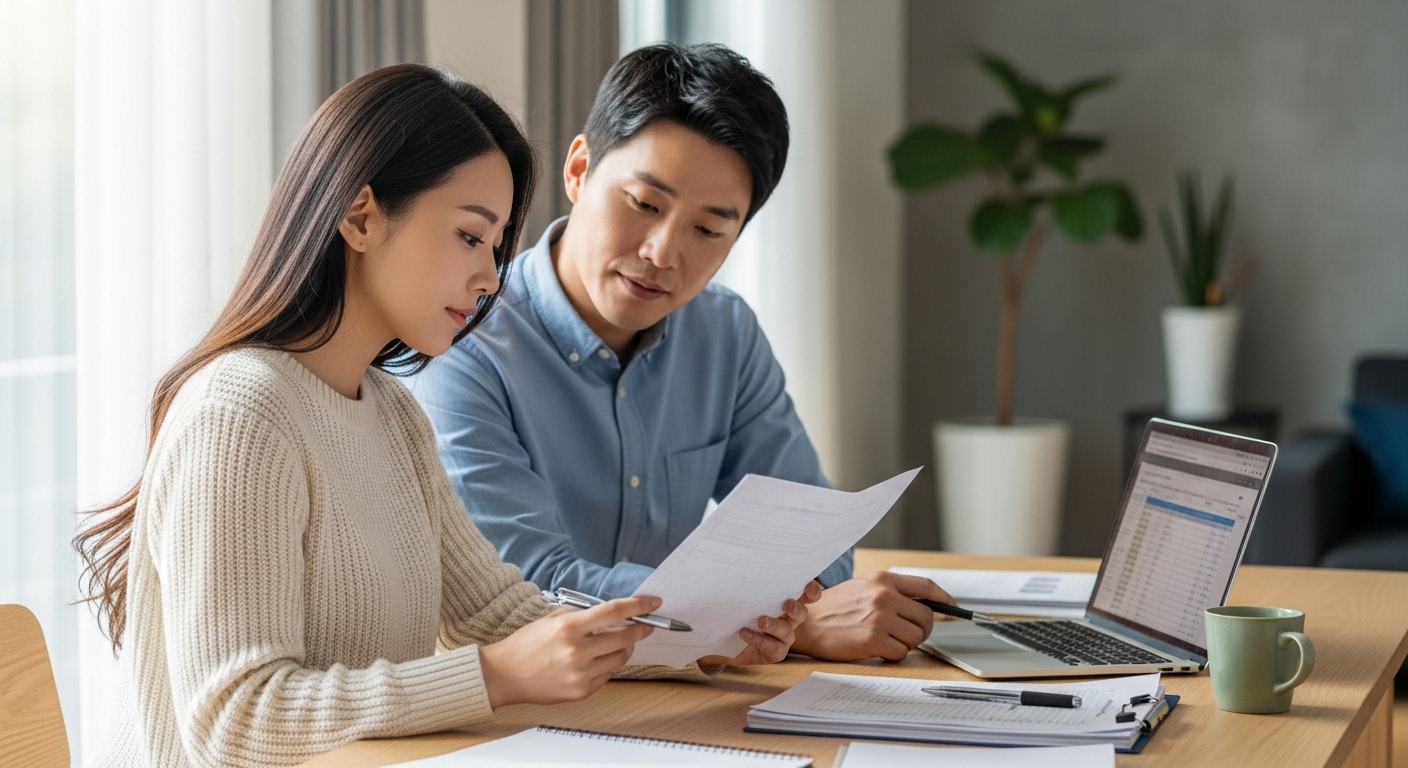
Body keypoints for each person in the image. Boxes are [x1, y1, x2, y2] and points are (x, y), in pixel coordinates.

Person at [74, 64, 812, 768]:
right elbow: (236, 721)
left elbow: (502, 614)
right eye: (469, 235)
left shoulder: (391, 413)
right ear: (360, 216)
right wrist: (491, 677)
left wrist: (702, 641)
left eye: (495, 247)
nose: (490, 277)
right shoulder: (241, 413)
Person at [413, 43, 956, 665]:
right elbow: (524, 585)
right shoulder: (461, 341)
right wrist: (782, 621)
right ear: (578, 169)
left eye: (708, 230)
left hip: (682, 692)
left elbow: (815, 539)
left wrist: (793, 606)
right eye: (644, 204)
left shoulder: (724, 333)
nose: (663, 252)